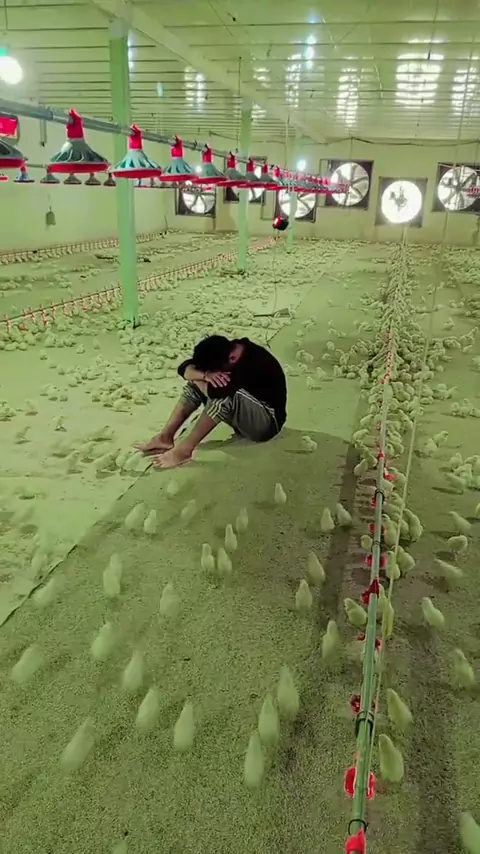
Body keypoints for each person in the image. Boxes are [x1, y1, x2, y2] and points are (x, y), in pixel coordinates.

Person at [136, 334, 287, 470]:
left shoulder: (252, 363)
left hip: (266, 424)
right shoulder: (226, 350)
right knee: (197, 384)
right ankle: (165, 438)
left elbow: (217, 392)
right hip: (246, 413)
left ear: (231, 360)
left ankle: (184, 451)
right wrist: (203, 375)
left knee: (223, 397)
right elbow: (184, 367)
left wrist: (198, 377)